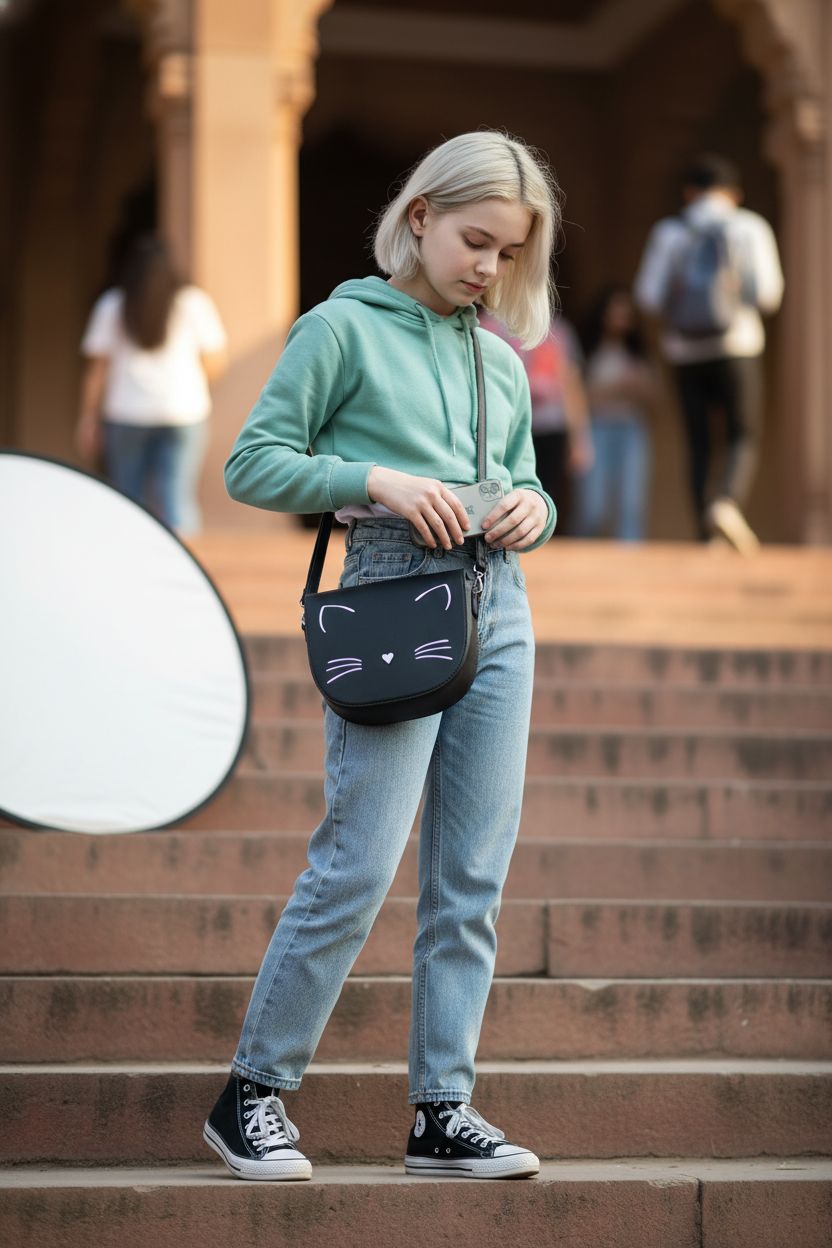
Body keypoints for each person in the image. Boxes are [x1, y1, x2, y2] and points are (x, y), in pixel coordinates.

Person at [205, 130, 559, 1182]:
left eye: (508, 252)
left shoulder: (500, 357)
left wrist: (532, 511)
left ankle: (440, 1111)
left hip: (501, 604)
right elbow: (251, 464)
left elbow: (528, 480)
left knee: (471, 873)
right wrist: (377, 482)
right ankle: (251, 1094)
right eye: (474, 239)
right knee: (360, 857)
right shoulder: (340, 328)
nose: (487, 268)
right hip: (393, 586)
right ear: (419, 218)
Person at [634, 154, 783, 550]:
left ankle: (707, 538)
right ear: (734, 193)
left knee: (698, 441)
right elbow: (768, 295)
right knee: (742, 435)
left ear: (689, 192)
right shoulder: (748, 227)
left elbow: (648, 297)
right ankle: (726, 503)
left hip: (684, 351)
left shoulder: (670, 232)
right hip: (738, 345)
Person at [77, 235, 228, 535]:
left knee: (128, 499)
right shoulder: (192, 302)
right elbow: (215, 361)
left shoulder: (113, 304)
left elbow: (97, 371)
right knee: (178, 501)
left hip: (126, 413)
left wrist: (88, 418)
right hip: (183, 412)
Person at [480, 308, 592, 535]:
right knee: (501, 489)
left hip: (550, 425)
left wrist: (581, 439)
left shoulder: (557, 329)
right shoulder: (485, 325)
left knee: (546, 492)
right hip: (503, 425)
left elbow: (570, 384)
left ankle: (539, 542)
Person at [576, 285, 657, 542]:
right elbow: (579, 397)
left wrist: (633, 387)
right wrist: (617, 389)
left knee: (631, 504)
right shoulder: (589, 352)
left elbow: (654, 397)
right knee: (593, 506)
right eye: (616, 312)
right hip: (597, 429)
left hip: (631, 429)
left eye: (626, 313)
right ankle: (582, 564)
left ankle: (631, 572)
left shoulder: (637, 354)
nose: (621, 319)